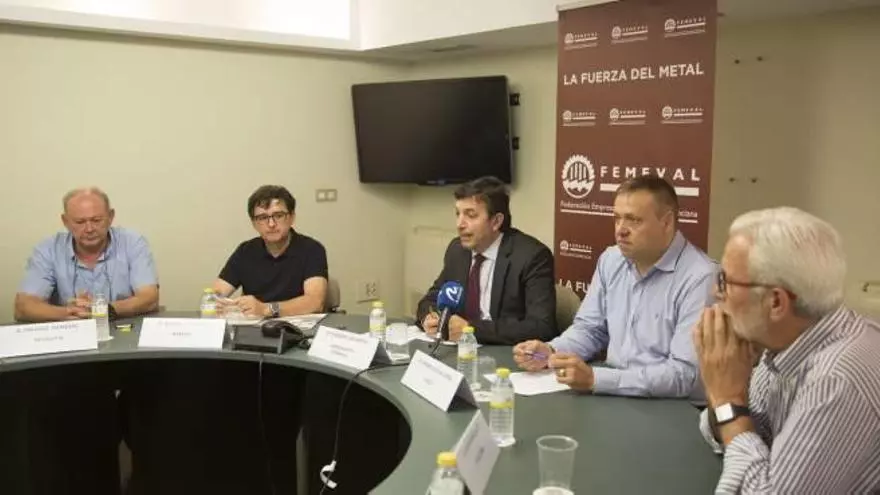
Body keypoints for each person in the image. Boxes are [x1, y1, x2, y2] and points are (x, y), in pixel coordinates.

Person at [695, 207, 880, 493]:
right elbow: (739, 437)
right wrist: (728, 389)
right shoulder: (781, 345)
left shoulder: (835, 379)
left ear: (776, 302)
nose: (717, 294)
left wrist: (726, 398)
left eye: (726, 282)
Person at [513, 175, 715, 398]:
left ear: (666, 222)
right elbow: (590, 329)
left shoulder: (700, 278)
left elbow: (684, 374)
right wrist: (551, 351)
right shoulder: (611, 260)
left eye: (634, 220)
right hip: (614, 393)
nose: (621, 230)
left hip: (673, 405)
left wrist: (596, 379)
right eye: (617, 218)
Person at [416, 176, 557, 345]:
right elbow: (430, 300)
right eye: (458, 214)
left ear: (496, 221)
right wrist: (429, 317)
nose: (460, 224)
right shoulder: (458, 250)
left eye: (471, 215)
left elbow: (542, 327)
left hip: (504, 353)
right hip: (460, 350)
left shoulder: (532, 256)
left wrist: (470, 329)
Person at [15, 187, 159, 322]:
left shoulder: (132, 243)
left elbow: (149, 298)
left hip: (122, 328)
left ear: (110, 217)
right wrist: (70, 312)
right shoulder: (48, 249)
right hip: (70, 331)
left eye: (96, 220)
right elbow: (24, 306)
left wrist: (104, 310)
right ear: (65, 222)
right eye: (80, 222)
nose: (89, 229)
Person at [213, 184, 328, 317]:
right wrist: (219, 302)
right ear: (254, 223)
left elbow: (315, 302)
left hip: (299, 328)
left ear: (292, 217)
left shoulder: (312, 249)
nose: (271, 224)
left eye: (278, 215)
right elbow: (215, 294)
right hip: (254, 327)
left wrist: (266, 309)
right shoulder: (245, 251)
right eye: (262, 218)